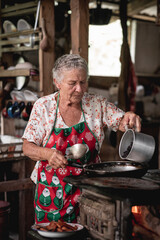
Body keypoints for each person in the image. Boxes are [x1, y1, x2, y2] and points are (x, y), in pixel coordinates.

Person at [22, 54, 141, 224]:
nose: (79, 89)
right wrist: (47, 154)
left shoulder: (96, 103)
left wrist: (129, 117)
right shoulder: (44, 106)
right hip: (53, 189)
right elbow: (27, 147)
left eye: (83, 82)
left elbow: (121, 121)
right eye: (72, 83)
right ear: (57, 83)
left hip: (90, 190)